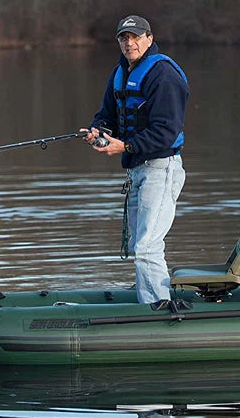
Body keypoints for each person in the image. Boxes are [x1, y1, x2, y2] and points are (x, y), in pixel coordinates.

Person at [81, 15, 189, 306]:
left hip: (161, 168)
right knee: (138, 245)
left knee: (147, 246)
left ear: (149, 39)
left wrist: (124, 146)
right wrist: (99, 132)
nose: (129, 43)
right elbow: (107, 114)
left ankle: (159, 309)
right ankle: (150, 302)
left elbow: (167, 132)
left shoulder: (163, 74)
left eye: (135, 37)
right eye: (123, 38)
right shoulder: (120, 72)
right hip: (136, 170)